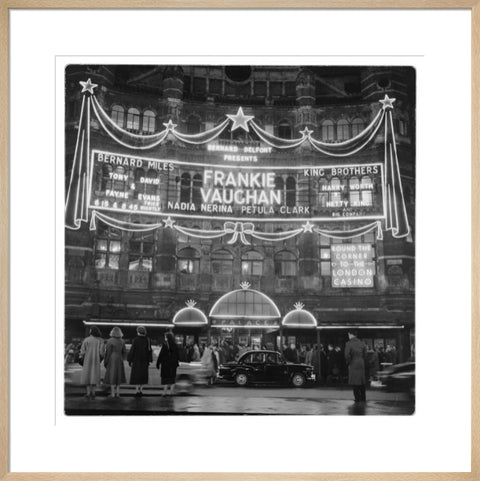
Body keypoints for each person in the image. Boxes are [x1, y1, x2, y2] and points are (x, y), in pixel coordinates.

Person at [79, 326, 105, 399]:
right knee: (94, 375)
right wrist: (100, 358)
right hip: (96, 360)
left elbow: (82, 351)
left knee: (87, 375)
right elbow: (102, 353)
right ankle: (93, 393)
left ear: (91, 331)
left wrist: (81, 357)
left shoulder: (86, 340)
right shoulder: (101, 340)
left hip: (87, 360)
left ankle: (88, 393)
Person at [127, 326, 153, 397]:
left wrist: (130, 360)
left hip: (136, 360)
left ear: (138, 331)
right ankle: (141, 391)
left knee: (136, 376)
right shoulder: (148, 339)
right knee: (142, 376)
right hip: (144, 360)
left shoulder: (135, 340)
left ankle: (136, 391)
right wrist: (149, 360)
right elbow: (150, 350)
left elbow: (132, 350)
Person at [344, 330, 368, 402]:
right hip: (361, 363)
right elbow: (365, 354)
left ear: (351, 335)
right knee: (361, 381)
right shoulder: (362, 343)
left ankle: (357, 398)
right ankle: (363, 398)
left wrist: (348, 362)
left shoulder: (348, 343)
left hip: (353, 363)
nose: (348, 336)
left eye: (348, 335)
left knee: (355, 382)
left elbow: (346, 355)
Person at [104, 326, 127, 398]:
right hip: (119, 358)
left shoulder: (109, 340)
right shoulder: (122, 341)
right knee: (118, 375)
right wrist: (122, 358)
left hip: (112, 358)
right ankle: (118, 393)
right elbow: (124, 352)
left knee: (112, 375)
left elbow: (108, 352)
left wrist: (106, 362)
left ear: (112, 332)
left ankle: (113, 394)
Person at [156, 332, 179, 396]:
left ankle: (165, 392)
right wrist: (177, 363)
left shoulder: (165, 344)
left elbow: (161, 355)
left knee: (165, 379)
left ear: (167, 337)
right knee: (172, 378)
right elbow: (177, 355)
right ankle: (171, 392)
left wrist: (158, 363)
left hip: (166, 364)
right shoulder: (175, 344)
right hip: (173, 364)